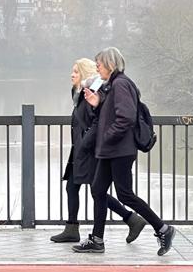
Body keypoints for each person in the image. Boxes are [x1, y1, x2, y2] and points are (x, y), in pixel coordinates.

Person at [73, 47, 175, 256]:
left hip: (119, 150)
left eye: (99, 64)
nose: (98, 68)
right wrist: (98, 102)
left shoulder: (120, 84)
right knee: (98, 190)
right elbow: (110, 112)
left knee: (125, 195)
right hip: (110, 150)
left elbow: (126, 118)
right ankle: (97, 240)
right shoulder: (112, 85)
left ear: (110, 64)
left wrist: (107, 136)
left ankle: (163, 229)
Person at [51, 58, 146, 243]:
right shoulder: (78, 93)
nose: (72, 75)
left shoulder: (92, 93)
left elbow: (96, 121)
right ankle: (72, 228)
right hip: (80, 149)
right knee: (73, 186)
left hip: (90, 150)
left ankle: (130, 218)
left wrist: (86, 142)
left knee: (97, 191)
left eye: (76, 72)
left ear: (85, 74)